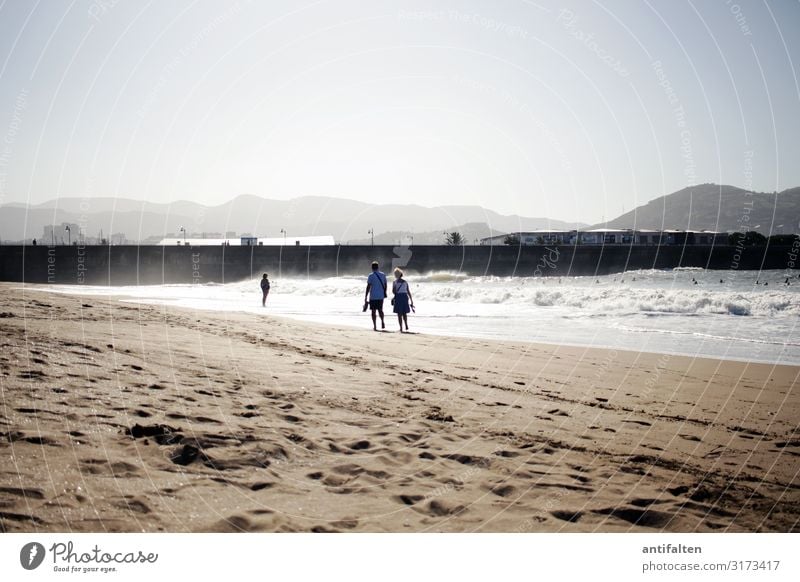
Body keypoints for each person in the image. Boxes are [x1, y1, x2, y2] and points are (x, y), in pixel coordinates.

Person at [364, 261, 387, 331]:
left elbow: (368, 286)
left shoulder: (371, 275)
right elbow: (385, 285)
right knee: (380, 310)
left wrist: (366, 296)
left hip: (373, 296)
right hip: (380, 296)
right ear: (378, 267)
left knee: (373, 311)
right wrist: (384, 292)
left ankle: (375, 326)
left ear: (372, 268)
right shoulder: (383, 275)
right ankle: (382, 321)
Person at [391, 268, 414, 332]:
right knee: (404, 313)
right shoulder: (405, 282)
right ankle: (406, 324)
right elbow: (408, 291)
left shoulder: (395, 282)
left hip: (398, 297)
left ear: (396, 274)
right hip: (405, 297)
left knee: (399, 314)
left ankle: (401, 328)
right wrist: (411, 300)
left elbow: (393, 291)